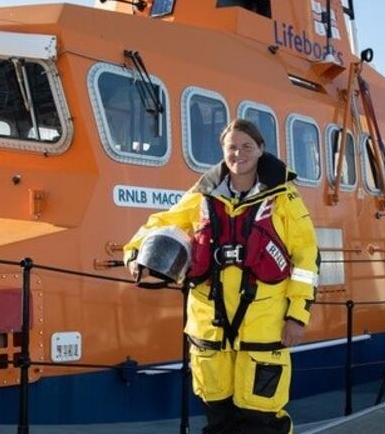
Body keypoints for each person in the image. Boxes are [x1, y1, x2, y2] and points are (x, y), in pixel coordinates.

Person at [124, 118, 318, 433]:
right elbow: (164, 222)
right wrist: (135, 252)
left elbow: (306, 259)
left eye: (247, 146)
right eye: (232, 147)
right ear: (223, 151)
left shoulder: (284, 198)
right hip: (209, 326)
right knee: (217, 417)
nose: (239, 153)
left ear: (260, 149)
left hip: (264, 325)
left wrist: (297, 317)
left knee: (262, 418)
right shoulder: (203, 194)